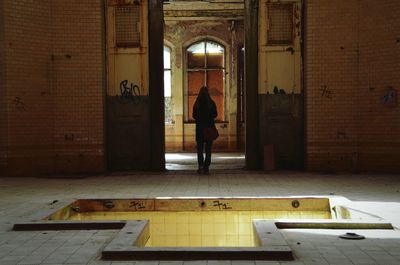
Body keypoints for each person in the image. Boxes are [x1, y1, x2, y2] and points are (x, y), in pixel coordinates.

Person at [193, 86, 218, 174]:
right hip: (209, 129)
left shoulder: (197, 103)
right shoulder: (211, 103)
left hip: (200, 129)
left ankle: (200, 166)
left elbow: (194, 116)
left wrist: (200, 119)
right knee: (208, 149)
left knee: (200, 149)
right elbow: (215, 115)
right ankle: (206, 167)